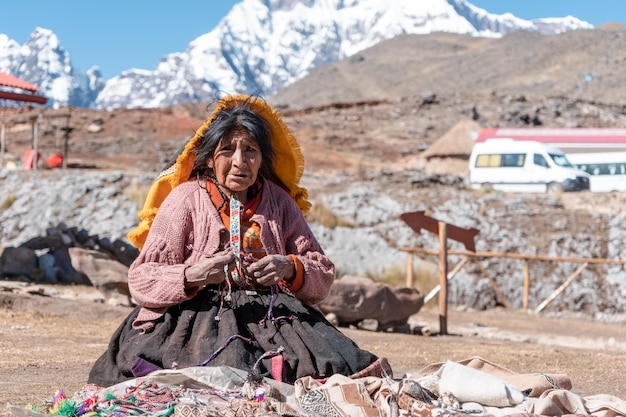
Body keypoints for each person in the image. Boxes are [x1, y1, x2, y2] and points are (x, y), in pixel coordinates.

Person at [88, 94, 389, 387]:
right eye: (227, 150)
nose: (239, 162)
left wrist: (289, 267)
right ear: (207, 157)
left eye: (250, 151)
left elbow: (322, 275)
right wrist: (195, 274)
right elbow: (141, 279)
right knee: (211, 377)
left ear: (262, 159)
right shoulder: (185, 199)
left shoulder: (280, 203)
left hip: (274, 317)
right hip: (194, 318)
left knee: (331, 372)